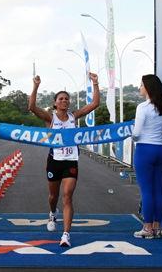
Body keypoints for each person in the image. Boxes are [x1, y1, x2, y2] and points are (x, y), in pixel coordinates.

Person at [28, 73, 100, 247]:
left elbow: (95, 104)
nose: (64, 101)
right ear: (55, 103)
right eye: (61, 99)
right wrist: (36, 86)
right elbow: (32, 107)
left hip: (71, 161)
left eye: (67, 99)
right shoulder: (50, 118)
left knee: (67, 197)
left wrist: (95, 83)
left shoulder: (74, 116)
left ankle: (66, 234)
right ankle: (53, 213)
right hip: (54, 161)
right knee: (54, 196)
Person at [131, 74, 162, 239]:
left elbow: (137, 133)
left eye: (141, 85)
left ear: (147, 88)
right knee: (157, 190)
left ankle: (147, 228)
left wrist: (132, 136)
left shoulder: (142, 107)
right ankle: (157, 227)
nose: (139, 87)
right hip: (160, 149)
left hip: (144, 150)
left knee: (146, 191)